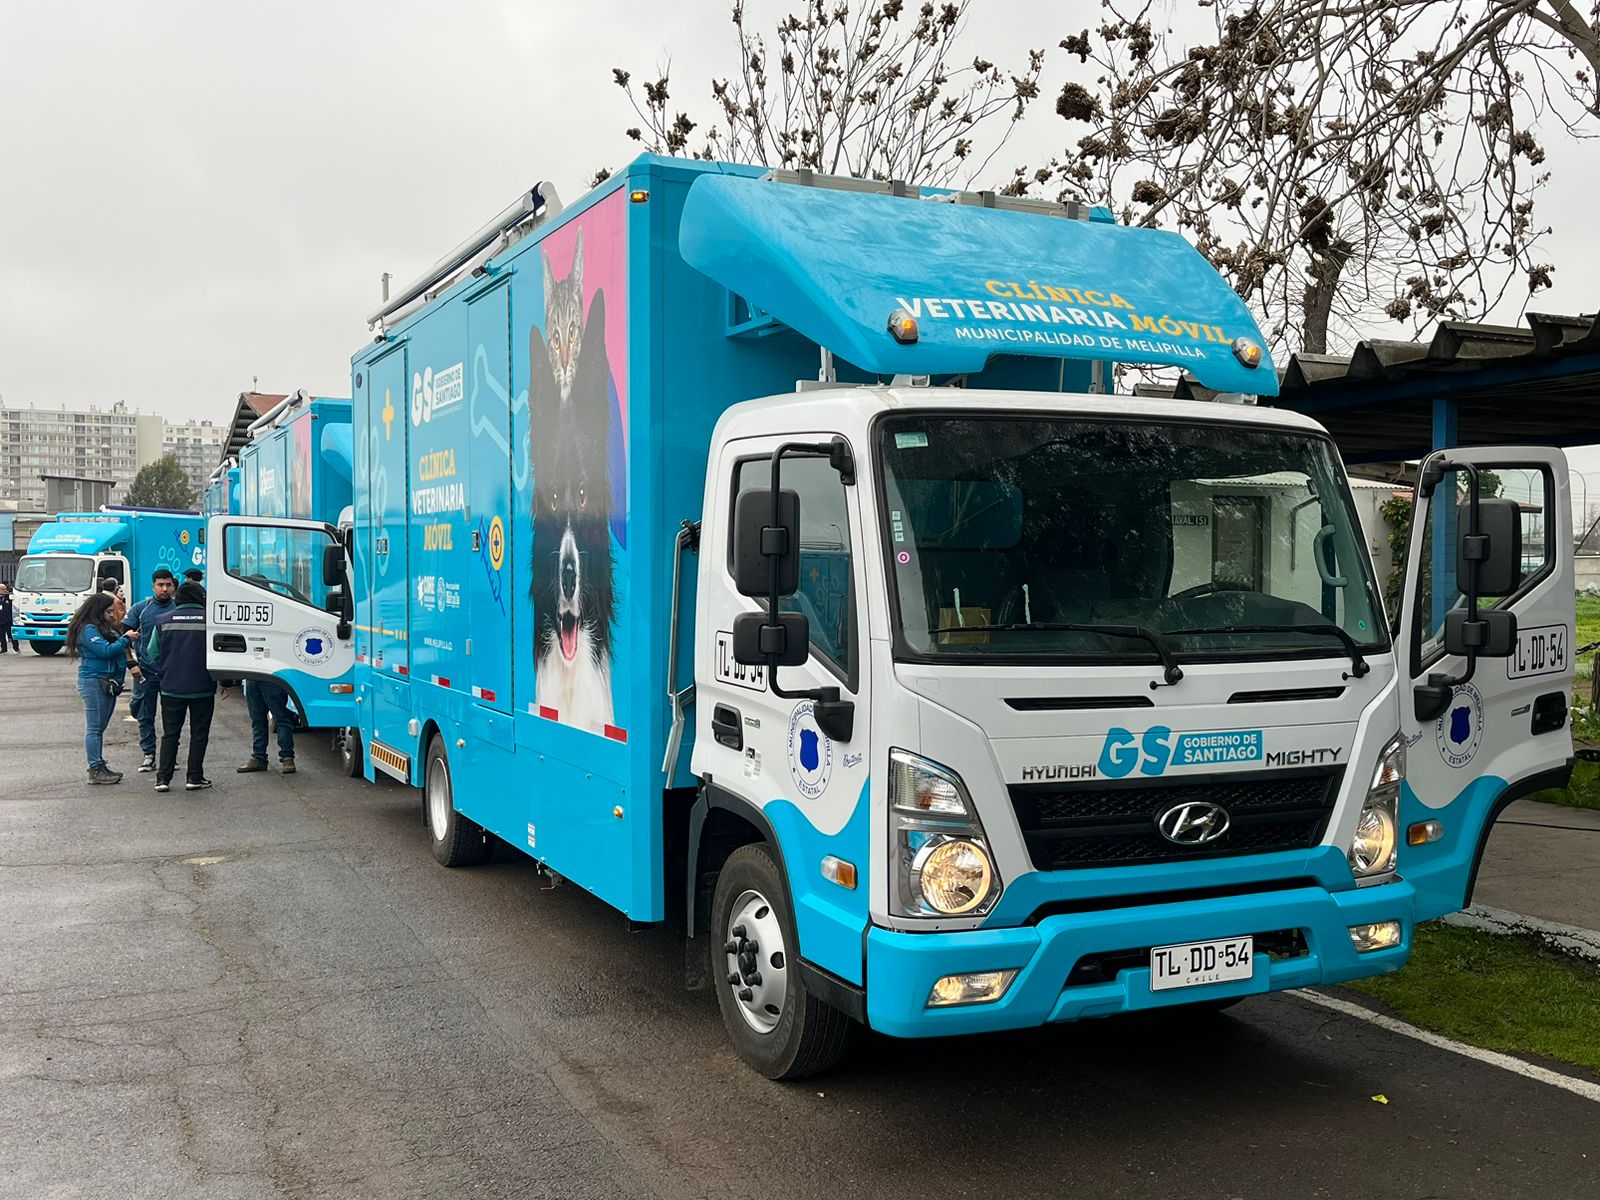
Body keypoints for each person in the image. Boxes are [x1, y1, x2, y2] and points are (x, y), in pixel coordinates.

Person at [146, 581, 225, 792]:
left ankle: (162, 779)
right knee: (199, 733)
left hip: (171, 687)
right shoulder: (211, 621)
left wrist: (165, 670)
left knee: (170, 733)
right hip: (203, 686)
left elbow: (152, 652)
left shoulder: (163, 620)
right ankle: (194, 777)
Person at [64, 591, 137, 784]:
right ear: (98, 610)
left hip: (107, 682)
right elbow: (105, 651)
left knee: (100, 727)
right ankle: (95, 768)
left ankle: (98, 764)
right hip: (95, 681)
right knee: (95, 728)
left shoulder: (101, 627)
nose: (112, 615)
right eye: (109, 611)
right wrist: (126, 638)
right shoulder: (88, 630)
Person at [122, 569, 177, 772]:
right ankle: (149, 754)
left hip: (172, 673)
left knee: (172, 716)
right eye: (160, 585)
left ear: (173, 586)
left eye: (168, 585)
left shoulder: (179, 608)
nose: (164, 589)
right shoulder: (140, 609)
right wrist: (132, 664)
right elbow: (122, 639)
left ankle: (170, 756)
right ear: (153, 586)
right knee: (145, 714)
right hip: (145, 672)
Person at [239, 678, 296, 774]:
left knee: (279, 719)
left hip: (268, 676)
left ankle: (283, 757)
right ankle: (284, 758)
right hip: (258, 677)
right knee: (263, 720)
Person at [0, 582, 14, 654]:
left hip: (8, 620)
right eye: (2, 589)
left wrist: (7, 593)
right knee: (1, 636)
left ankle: (16, 648)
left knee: (11, 635)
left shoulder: (8, 597)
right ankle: (4, 649)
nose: (4, 590)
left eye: (4, 589)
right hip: (1, 620)